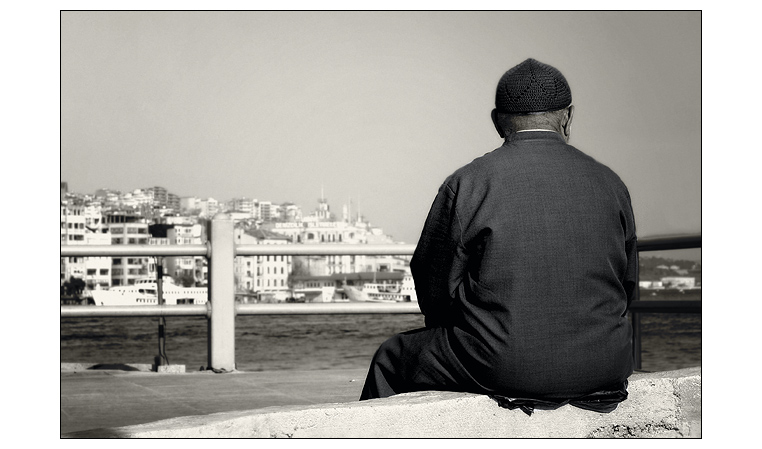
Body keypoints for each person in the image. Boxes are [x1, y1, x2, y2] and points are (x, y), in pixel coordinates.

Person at [359, 58, 638, 414]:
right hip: (607, 365)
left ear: (496, 121)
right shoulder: (611, 183)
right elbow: (627, 284)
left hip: (504, 364)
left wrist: (464, 329)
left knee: (391, 357)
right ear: (567, 116)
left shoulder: (469, 183)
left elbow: (432, 282)